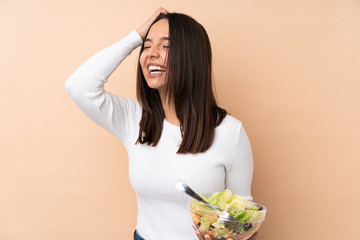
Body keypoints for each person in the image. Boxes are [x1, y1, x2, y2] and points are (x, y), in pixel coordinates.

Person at [66, 7, 258, 240]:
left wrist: (231, 236)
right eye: (146, 47)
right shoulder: (133, 120)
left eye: (165, 46)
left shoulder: (230, 132)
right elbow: (78, 86)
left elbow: (243, 221)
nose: (150, 54)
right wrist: (135, 37)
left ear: (191, 56)